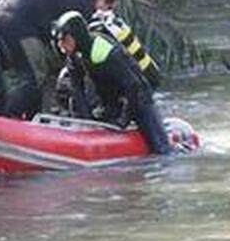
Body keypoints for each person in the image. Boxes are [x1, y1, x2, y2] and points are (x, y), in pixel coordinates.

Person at [0, 0, 119, 118]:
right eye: (108, 7)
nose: (104, 12)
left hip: (3, 10)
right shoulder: (84, 4)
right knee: (35, 77)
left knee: (8, 66)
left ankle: (31, 117)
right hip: (20, 22)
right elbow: (75, 45)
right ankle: (3, 116)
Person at [52, 10, 171, 155]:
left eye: (64, 39)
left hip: (137, 98)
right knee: (75, 101)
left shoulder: (106, 52)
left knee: (162, 151)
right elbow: (77, 89)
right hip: (110, 101)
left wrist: (124, 120)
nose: (60, 45)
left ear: (77, 36)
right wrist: (86, 121)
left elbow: (133, 86)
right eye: (59, 40)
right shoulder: (75, 54)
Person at [86, 0, 162, 88]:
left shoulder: (103, 26)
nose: (108, 11)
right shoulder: (116, 22)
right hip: (149, 74)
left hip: (141, 79)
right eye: (110, 7)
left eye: (110, 8)